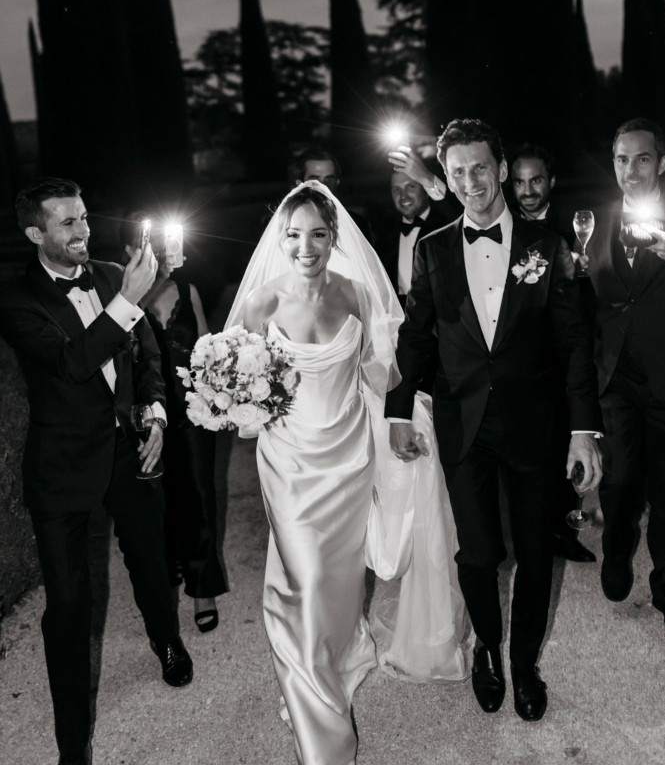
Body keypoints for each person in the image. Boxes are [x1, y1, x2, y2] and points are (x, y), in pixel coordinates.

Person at [227, 181, 470, 765]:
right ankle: (320, 728)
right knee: (302, 581)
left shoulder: (358, 293)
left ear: (333, 236)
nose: (305, 246)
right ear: (280, 239)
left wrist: (407, 416)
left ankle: (343, 649)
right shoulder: (261, 304)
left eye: (317, 234)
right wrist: (231, 402)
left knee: (339, 575)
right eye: (294, 235)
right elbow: (240, 387)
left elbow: (379, 370)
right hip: (288, 462)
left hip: (349, 454)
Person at [386, 119, 602, 722]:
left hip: (535, 423)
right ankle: (487, 645)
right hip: (464, 423)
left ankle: (525, 662)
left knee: (534, 553)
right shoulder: (432, 249)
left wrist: (583, 430)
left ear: (501, 169)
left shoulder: (549, 246)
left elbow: (574, 344)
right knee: (478, 555)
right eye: (457, 172)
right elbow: (415, 337)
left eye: (480, 167)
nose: (470, 181)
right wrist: (398, 409)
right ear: (447, 177)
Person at [0, 179, 192, 765]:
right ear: (35, 233)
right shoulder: (16, 298)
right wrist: (128, 301)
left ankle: (166, 640)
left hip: (130, 450)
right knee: (67, 606)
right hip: (62, 467)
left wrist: (155, 410)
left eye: (83, 217)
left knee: (150, 559)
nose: (83, 229)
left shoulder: (110, 274)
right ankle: (71, 744)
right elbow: (71, 364)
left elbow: (148, 355)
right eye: (67, 222)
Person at [579, 118, 665, 633]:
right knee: (618, 482)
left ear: (660, 162)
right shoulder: (593, 223)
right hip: (616, 380)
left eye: (642, 158)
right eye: (622, 159)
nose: (631, 169)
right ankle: (617, 552)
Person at [121, 214, 228, 634]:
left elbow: (207, 349)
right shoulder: (120, 297)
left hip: (192, 413)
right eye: (150, 244)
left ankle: (203, 587)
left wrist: (221, 393)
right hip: (146, 416)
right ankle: (164, 581)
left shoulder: (188, 289)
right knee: (156, 503)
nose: (163, 251)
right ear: (130, 252)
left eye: (166, 242)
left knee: (199, 494)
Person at [509, 143, 596, 564]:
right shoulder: (502, 228)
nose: (527, 191)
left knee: (570, 444)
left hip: (562, 357)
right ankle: (531, 533)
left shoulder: (574, 228)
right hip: (521, 359)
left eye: (536, 180)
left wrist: (586, 272)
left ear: (552, 181)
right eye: (519, 182)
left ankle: (568, 531)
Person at [375, 166, 453, 307]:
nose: (403, 196)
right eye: (396, 190)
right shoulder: (384, 237)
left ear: (426, 190)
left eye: (411, 187)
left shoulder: (447, 227)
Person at [293, 146, 371, 240]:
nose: (323, 186)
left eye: (329, 179)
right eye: (314, 180)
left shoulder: (357, 224)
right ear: (300, 184)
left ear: (337, 182)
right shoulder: (287, 223)